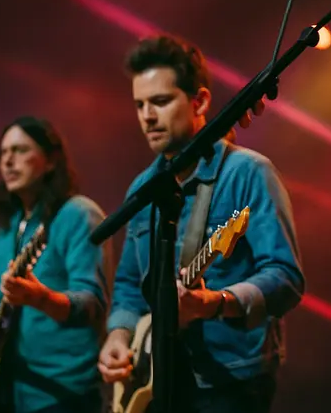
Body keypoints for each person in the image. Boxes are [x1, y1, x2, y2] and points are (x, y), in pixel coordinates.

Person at [97, 35, 304, 413]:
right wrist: (119, 334)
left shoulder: (248, 172)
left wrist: (216, 303)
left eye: (160, 101)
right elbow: (129, 283)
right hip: (158, 377)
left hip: (231, 380)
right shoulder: (143, 188)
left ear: (201, 101)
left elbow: (286, 277)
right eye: (140, 104)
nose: (147, 116)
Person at [0, 116, 111, 413]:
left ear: (50, 161)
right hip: (15, 389)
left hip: (66, 390)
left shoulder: (78, 214)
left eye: (20, 150)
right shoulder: (9, 228)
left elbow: (92, 303)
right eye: (3, 153)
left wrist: (40, 297)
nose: (8, 161)